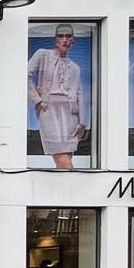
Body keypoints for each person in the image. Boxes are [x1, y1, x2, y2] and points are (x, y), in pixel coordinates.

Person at [27, 25, 87, 169]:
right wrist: (37, 101)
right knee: (63, 161)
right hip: (49, 109)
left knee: (66, 158)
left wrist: (82, 121)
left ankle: (63, 184)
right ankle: (74, 184)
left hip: (71, 114)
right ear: (55, 39)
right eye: (61, 36)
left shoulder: (75, 67)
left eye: (68, 36)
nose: (65, 40)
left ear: (73, 40)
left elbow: (79, 94)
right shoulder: (43, 55)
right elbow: (25, 75)